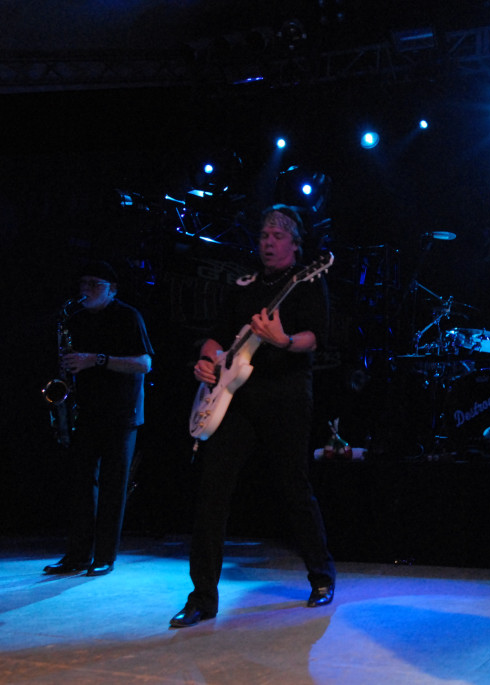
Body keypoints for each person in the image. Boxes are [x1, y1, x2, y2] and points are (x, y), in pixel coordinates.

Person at [170, 204, 336, 629]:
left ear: (296, 246)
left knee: (294, 487)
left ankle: (321, 576)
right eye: (264, 235)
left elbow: (315, 337)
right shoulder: (244, 285)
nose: (268, 242)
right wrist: (207, 361)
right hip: (236, 400)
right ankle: (201, 598)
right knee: (212, 492)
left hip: (285, 396)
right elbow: (215, 336)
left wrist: (282, 340)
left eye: (278, 236)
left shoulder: (307, 281)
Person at [44, 260, 154, 577]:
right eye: (84, 283)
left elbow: (144, 363)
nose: (86, 290)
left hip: (122, 413)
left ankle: (105, 556)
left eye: (95, 284)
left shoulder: (128, 316)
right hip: (86, 411)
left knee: (112, 486)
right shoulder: (75, 319)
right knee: (81, 486)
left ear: (112, 290)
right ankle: (77, 555)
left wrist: (95, 360)